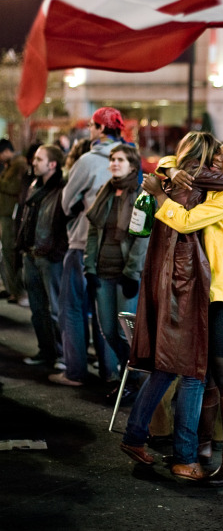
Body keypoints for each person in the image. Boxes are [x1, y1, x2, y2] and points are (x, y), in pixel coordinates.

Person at [121, 130, 223, 483]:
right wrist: (169, 170)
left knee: (214, 372)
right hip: (198, 289)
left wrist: (160, 187)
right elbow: (175, 164)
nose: (218, 161)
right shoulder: (200, 184)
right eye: (217, 155)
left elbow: (183, 220)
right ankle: (197, 449)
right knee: (195, 371)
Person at [65, 144, 148, 393]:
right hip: (102, 271)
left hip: (125, 276)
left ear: (132, 165)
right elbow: (93, 230)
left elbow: (142, 238)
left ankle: (133, 381)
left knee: (125, 334)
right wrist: (89, 267)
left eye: (120, 159)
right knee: (108, 331)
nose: (114, 163)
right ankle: (129, 374)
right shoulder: (106, 191)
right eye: (112, 159)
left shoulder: (142, 195)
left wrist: (133, 273)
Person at [54, 108, 125, 387]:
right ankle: (110, 372)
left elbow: (66, 202)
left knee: (72, 307)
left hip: (83, 242)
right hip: (116, 248)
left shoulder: (87, 161)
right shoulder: (130, 159)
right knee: (104, 311)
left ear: (98, 129)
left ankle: (75, 371)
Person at [16, 145, 68, 367]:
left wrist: (56, 252)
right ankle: (45, 351)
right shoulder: (34, 184)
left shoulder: (62, 189)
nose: (34, 163)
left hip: (49, 257)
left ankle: (62, 355)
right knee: (37, 310)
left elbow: (66, 224)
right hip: (32, 253)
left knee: (56, 309)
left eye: (39, 159)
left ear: (52, 164)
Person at [0, 141, 27, 304]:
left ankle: (17, 291)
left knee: (11, 252)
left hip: (11, 215)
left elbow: (15, 187)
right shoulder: (10, 165)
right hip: (6, 213)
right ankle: (13, 290)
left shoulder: (19, 164)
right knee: (7, 254)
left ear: (6, 151)